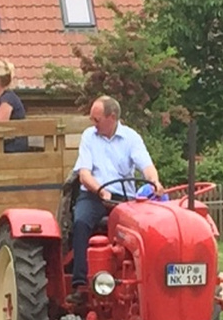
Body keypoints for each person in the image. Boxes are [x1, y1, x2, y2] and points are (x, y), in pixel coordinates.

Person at [69, 95, 164, 294]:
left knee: (142, 231)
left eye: (97, 120)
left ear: (112, 117)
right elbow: (84, 173)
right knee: (80, 221)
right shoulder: (89, 136)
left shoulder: (131, 138)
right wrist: (100, 190)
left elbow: (146, 166)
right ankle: (80, 283)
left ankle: (144, 282)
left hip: (122, 199)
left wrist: (154, 182)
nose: (93, 124)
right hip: (94, 194)